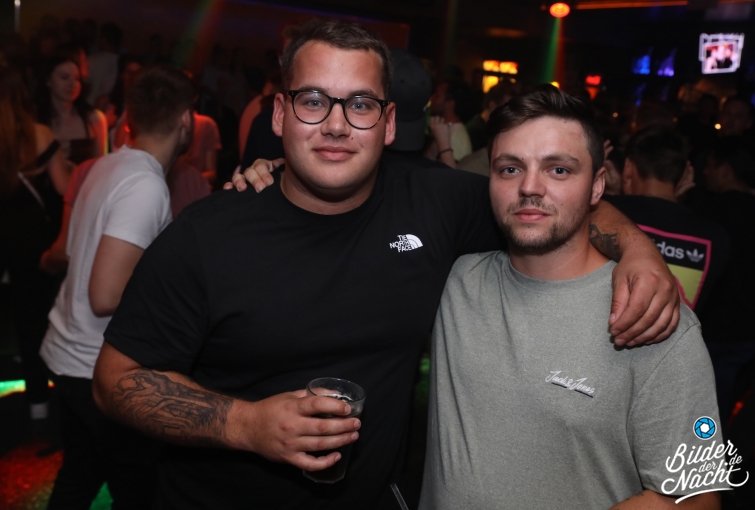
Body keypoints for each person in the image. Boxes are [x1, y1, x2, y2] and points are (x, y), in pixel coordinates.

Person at [93, 21, 678, 510]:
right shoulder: (207, 235)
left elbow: (548, 200)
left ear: (390, 123)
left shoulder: (434, 204)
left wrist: (638, 249)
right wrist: (244, 425)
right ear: (280, 114)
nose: (337, 124)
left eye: (361, 104)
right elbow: (114, 380)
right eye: (313, 101)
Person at [419, 85, 725, 510]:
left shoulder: (652, 318)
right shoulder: (456, 280)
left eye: (559, 170)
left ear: (597, 187)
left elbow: (698, 498)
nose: (529, 186)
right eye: (510, 168)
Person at [39, 65, 195, 510]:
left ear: (130, 119)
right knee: (140, 489)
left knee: (80, 475)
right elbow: (105, 294)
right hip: (95, 368)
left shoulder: (106, 164)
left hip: (68, 356)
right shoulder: (145, 185)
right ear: (186, 120)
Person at [0, 65, 67, 428]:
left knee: (18, 321)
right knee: (34, 323)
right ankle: (40, 403)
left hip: (6, 240)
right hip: (32, 244)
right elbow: (63, 188)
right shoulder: (39, 134)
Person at [604, 126, 729, 313]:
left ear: (628, 167)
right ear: (684, 174)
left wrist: (606, 194)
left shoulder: (604, 213)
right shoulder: (716, 237)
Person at [694, 138, 755, 424]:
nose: (705, 172)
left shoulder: (707, 213)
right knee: (721, 402)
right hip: (745, 331)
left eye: (710, 166)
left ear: (726, 170)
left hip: (710, 327)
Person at [36, 55, 107, 166]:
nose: (72, 84)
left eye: (77, 79)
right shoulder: (35, 118)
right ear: (48, 80)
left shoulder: (94, 118)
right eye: (64, 77)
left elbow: (102, 165)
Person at [424, 79, 474, 167]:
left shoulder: (456, 137)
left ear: (450, 104)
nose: (431, 98)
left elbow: (450, 173)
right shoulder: (445, 130)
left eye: (437, 95)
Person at [86, 22, 122, 110]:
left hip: (91, 106)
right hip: (112, 109)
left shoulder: (92, 60)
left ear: (103, 40)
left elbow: (86, 86)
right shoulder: (123, 62)